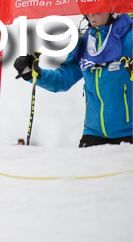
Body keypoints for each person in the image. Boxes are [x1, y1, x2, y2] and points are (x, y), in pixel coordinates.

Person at [14, 12, 133, 147]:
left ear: (113, 10)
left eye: (97, 10)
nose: (91, 15)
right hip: (93, 133)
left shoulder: (129, 38)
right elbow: (63, 79)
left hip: (128, 132)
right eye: (88, 12)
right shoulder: (86, 43)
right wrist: (34, 73)